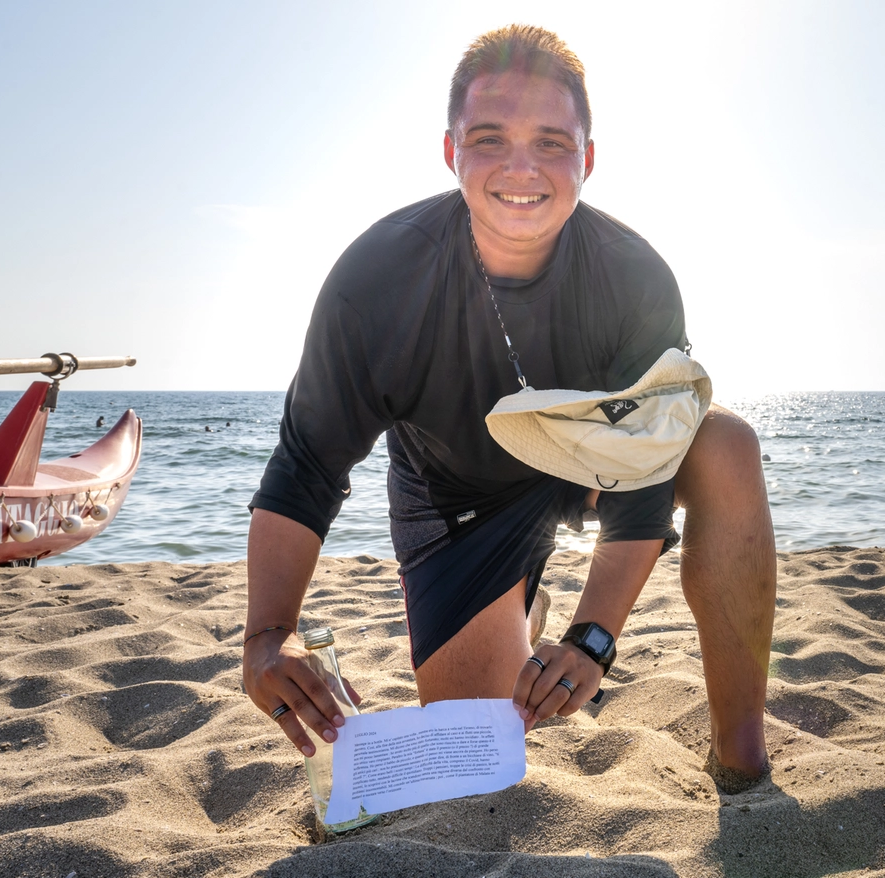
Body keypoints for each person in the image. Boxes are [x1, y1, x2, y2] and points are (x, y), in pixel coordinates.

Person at [240, 25, 775, 792]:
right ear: (451, 150)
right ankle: (510, 601)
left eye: (552, 143)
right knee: (478, 764)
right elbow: (307, 465)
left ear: (587, 159)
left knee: (724, 445)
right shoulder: (376, 280)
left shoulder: (635, 279)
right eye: (490, 138)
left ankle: (741, 756)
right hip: (457, 501)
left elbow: (648, 473)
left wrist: (592, 639)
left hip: (591, 465)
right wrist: (267, 637)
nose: (521, 167)